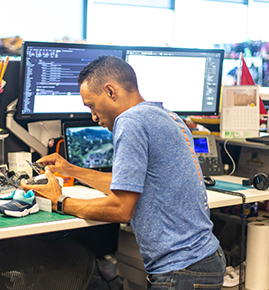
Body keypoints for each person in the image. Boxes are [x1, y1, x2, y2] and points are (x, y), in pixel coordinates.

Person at [21, 55, 225, 289]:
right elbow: (130, 185)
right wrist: (72, 170)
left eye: (91, 106)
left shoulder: (130, 121)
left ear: (110, 91)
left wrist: (59, 201)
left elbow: (121, 209)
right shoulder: (169, 117)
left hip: (181, 269)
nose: (93, 116)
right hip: (205, 259)